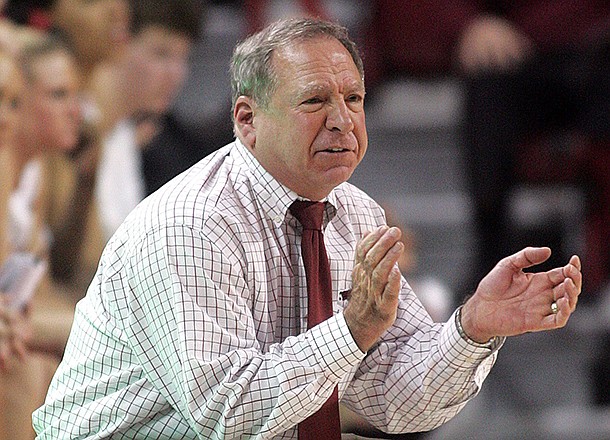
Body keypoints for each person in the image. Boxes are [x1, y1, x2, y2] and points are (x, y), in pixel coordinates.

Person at [33, 18, 582, 439]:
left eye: (354, 99)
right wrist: (351, 332)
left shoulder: (355, 213)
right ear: (246, 120)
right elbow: (227, 416)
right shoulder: (194, 223)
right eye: (315, 101)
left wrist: (472, 329)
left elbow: (396, 401)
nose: (342, 121)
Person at [0, 32, 82, 440]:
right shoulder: (3, 164)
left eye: (75, 94)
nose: (76, 110)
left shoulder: (38, 169)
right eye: (57, 95)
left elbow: (38, 291)